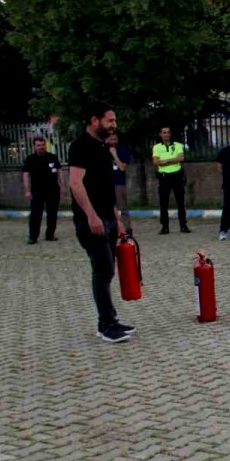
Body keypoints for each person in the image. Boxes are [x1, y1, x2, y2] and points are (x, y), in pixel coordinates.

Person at [68, 101, 133, 343]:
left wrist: (115, 218)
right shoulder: (80, 146)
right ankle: (106, 325)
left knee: (108, 270)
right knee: (102, 269)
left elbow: (106, 189)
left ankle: (110, 321)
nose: (114, 125)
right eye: (110, 121)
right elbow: (76, 183)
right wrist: (91, 216)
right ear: (94, 120)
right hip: (90, 221)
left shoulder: (103, 147)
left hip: (107, 217)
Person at [22, 136, 65, 244]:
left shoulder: (52, 157)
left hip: (53, 190)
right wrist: (27, 190)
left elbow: (59, 171)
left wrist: (62, 187)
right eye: (38, 145)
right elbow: (26, 175)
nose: (41, 147)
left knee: (52, 214)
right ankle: (33, 236)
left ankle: (50, 234)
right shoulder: (30, 159)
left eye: (43, 145)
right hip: (37, 191)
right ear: (34, 147)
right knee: (35, 215)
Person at [151, 125, 190, 234]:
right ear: (160, 134)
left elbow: (181, 158)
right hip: (164, 177)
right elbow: (156, 161)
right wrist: (174, 160)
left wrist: (166, 161)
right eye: (164, 132)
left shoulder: (177, 145)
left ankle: (183, 225)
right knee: (164, 203)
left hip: (177, 175)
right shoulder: (156, 147)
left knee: (180, 202)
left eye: (168, 132)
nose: (166, 134)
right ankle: (165, 227)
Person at [107, 133, 133, 236]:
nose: (113, 141)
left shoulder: (122, 149)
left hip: (119, 182)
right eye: (111, 139)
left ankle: (127, 229)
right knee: (108, 208)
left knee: (123, 208)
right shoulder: (103, 149)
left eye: (115, 139)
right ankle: (111, 229)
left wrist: (114, 154)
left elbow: (122, 167)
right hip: (106, 183)